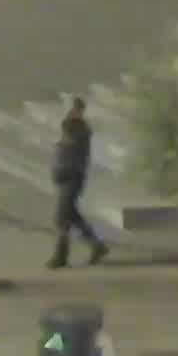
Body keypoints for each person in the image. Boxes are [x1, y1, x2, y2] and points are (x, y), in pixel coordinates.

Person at [48, 96, 109, 268]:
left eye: (73, 108)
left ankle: (61, 256)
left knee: (63, 217)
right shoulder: (75, 127)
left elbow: (69, 141)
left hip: (71, 177)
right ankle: (97, 246)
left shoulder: (77, 127)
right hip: (68, 176)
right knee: (72, 215)